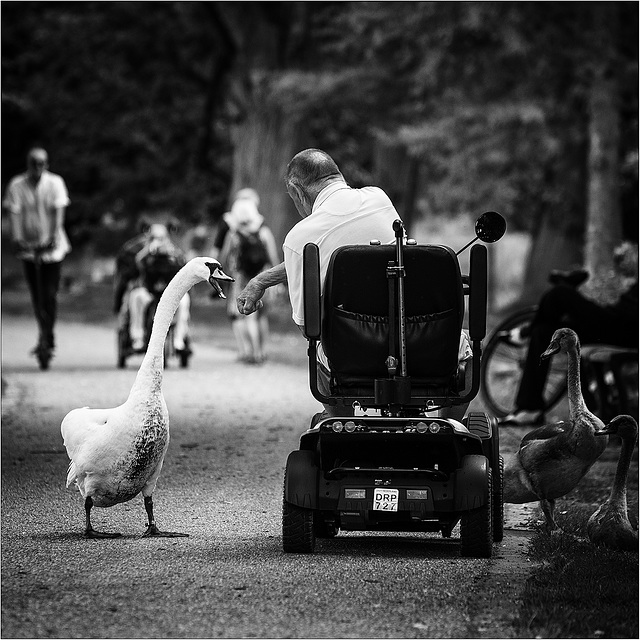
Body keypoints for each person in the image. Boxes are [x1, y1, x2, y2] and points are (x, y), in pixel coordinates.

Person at [237, 148, 472, 419]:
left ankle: (343, 420)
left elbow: (308, 327)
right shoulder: (379, 200)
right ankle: (449, 425)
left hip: (350, 360)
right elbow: (390, 255)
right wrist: (262, 280)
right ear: (337, 176)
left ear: (298, 192)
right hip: (424, 348)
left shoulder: (299, 238)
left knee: (320, 348)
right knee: (465, 348)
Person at [501, 241, 639, 425]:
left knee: (560, 293)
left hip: (623, 328)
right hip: (615, 320)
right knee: (545, 332)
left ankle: (525, 331)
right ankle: (530, 408)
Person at [2, 147, 71, 363]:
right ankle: (44, 335)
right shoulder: (16, 185)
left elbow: (58, 212)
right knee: (37, 295)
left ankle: (47, 336)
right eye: (34, 163)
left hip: (52, 249)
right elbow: (14, 213)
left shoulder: (55, 183)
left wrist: (53, 237)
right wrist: (16, 238)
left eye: (42, 164)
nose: (38, 168)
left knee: (49, 294)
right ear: (28, 164)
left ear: (47, 164)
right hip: (30, 250)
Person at [219, 194, 279, 363]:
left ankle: (250, 352)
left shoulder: (234, 235)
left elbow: (224, 257)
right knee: (261, 316)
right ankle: (262, 351)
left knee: (244, 316)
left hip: (242, 279)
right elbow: (273, 257)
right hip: (263, 277)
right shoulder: (264, 232)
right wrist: (277, 280)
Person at [116, 222, 189, 354]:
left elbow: (184, 267)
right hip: (148, 291)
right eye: (155, 238)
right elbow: (136, 267)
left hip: (168, 292)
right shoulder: (144, 254)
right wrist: (147, 251)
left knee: (184, 300)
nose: (158, 241)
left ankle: (179, 339)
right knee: (136, 297)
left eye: (161, 238)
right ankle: (137, 338)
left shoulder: (173, 253)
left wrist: (171, 253)